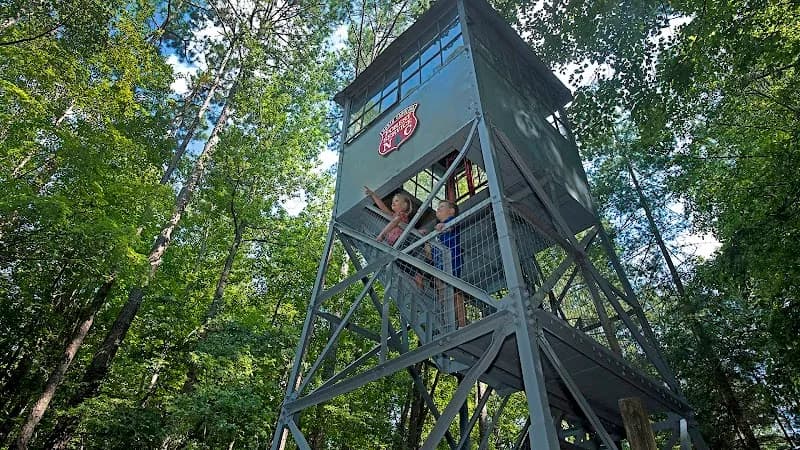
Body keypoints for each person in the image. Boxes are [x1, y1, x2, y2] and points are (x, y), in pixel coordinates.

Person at [423, 200, 466, 328]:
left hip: (452, 260)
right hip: (439, 266)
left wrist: (443, 226)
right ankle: (449, 323)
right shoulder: (436, 232)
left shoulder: (452, 221)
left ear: (451, 211)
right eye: (437, 207)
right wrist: (426, 241)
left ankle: (462, 324)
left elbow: (452, 226)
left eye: (441, 207)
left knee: (455, 292)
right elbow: (429, 255)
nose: (438, 209)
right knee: (442, 294)